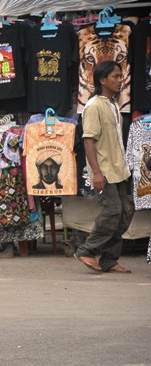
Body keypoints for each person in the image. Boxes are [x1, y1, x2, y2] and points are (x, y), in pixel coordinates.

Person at [74, 60, 134, 274]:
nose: (120, 80)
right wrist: (97, 172)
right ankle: (86, 250)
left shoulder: (113, 104)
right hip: (105, 170)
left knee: (126, 211)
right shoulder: (94, 106)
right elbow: (88, 140)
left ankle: (109, 259)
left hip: (119, 169)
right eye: (115, 77)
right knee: (112, 211)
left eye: (120, 76)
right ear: (102, 80)